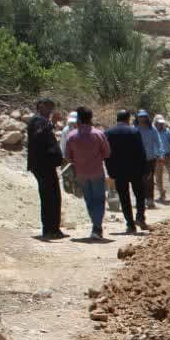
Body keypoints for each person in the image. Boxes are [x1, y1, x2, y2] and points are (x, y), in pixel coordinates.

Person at [63, 106, 111, 241]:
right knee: (99, 200)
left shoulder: (71, 136)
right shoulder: (99, 134)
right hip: (96, 171)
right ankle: (97, 227)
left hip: (81, 173)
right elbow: (107, 153)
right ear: (91, 118)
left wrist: (78, 160)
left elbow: (68, 157)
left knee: (89, 199)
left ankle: (95, 226)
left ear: (78, 119)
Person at [105, 110, 151, 234]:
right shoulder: (134, 131)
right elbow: (141, 151)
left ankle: (130, 225)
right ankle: (140, 217)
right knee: (140, 195)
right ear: (128, 119)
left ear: (117, 118)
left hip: (118, 171)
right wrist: (146, 169)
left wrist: (110, 170)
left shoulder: (109, 132)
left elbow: (107, 154)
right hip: (135, 169)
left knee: (124, 198)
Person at [26, 97, 66, 239]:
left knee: (53, 196)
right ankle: (49, 229)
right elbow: (39, 135)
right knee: (49, 197)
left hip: (46, 165)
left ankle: (53, 228)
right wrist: (52, 123)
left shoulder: (42, 121)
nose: (50, 110)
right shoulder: (37, 120)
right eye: (48, 107)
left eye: (52, 107)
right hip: (42, 165)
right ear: (41, 106)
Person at [152, 115, 170, 204]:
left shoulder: (167, 131)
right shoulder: (152, 132)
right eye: (158, 123)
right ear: (155, 123)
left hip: (168, 156)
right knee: (158, 176)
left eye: (162, 123)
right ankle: (162, 194)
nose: (160, 125)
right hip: (157, 157)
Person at [134, 110, 161, 205]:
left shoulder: (152, 129)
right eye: (140, 117)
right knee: (140, 179)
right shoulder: (134, 128)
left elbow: (158, 141)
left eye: (143, 117)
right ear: (137, 118)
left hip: (150, 158)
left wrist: (159, 154)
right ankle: (142, 198)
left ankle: (150, 199)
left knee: (149, 178)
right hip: (138, 158)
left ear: (146, 118)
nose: (141, 119)